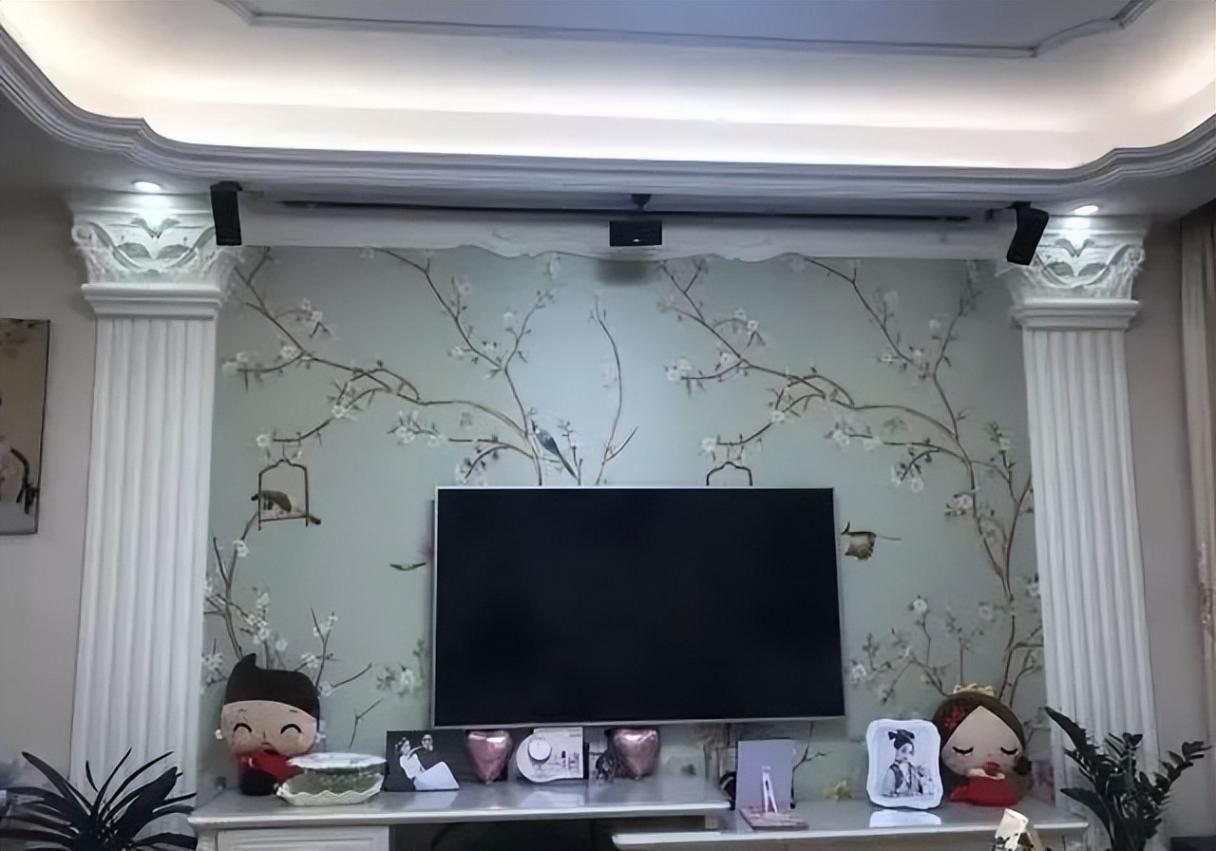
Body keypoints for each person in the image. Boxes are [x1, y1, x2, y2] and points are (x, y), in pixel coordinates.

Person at [879, 728, 929, 798]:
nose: (906, 756)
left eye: (910, 752)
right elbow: (887, 795)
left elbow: (921, 790)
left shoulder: (913, 770)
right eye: (903, 751)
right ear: (896, 751)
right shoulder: (892, 771)